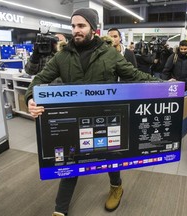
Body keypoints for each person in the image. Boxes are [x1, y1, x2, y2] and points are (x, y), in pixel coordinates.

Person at [24, 8, 159, 216]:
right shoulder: (62, 56)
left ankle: (116, 187)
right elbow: (39, 79)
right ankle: (60, 210)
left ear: (93, 29)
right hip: (74, 121)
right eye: (73, 26)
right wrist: (31, 98)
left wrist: (166, 84)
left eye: (81, 26)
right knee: (70, 162)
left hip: (107, 117)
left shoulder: (110, 53)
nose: (75, 30)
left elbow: (135, 76)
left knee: (111, 157)